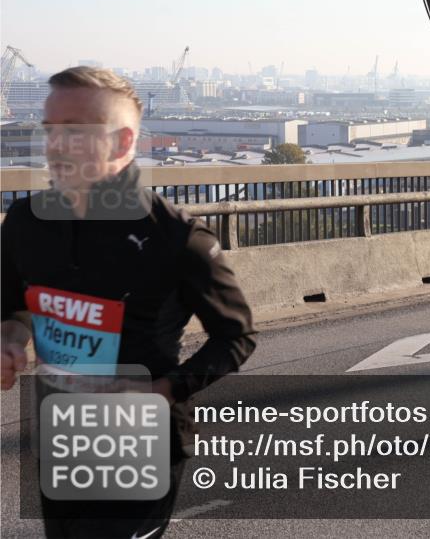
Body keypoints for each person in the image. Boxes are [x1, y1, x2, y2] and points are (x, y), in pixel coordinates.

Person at [0, 67, 257, 538]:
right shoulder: (23, 222)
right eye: (50, 129)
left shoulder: (177, 236)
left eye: (74, 132)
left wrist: (161, 393)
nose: (54, 146)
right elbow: (12, 303)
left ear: (120, 144)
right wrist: (12, 340)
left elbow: (236, 336)